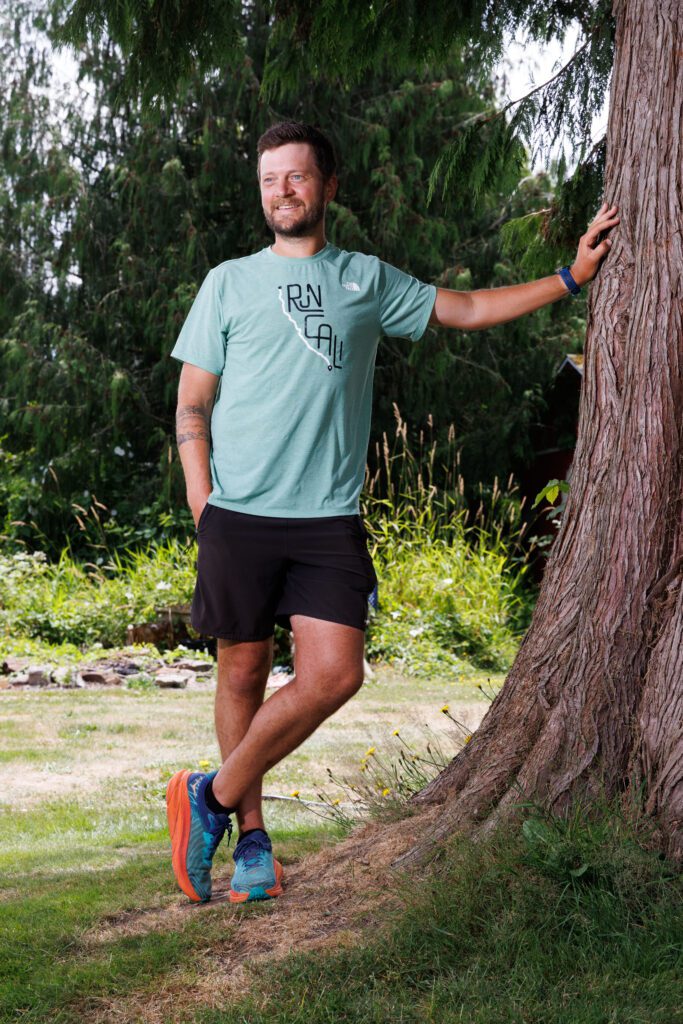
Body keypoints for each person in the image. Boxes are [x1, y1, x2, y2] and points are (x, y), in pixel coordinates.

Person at [166, 121, 619, 904]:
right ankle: (250, 841)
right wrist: (202, 501)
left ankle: (204, 795)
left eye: (297, 177)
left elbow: (465, 306)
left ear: (327, 187)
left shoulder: (364, 280)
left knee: (334, 675)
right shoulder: (228, 283)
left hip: (326, 520)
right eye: (270, 179)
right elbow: (192, 401)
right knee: (240, 671)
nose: (283, 191)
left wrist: (567, 280)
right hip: (237, 513)